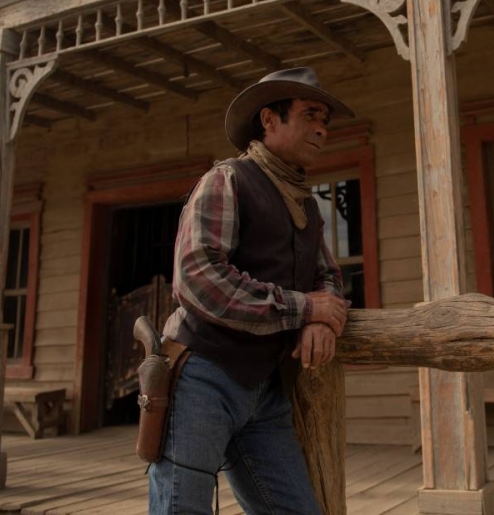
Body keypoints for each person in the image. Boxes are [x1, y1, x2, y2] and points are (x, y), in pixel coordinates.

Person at [149, 67, 354, 515]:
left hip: (265, 390)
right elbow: (200, 277)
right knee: (181, 508)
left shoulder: (305, 201)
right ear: (269, 120)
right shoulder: (228, 180)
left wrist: (322, 316)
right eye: (311, 115)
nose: (322, 128)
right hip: (202, 375)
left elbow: (329, 277)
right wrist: (303, 309)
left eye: (327, 121)